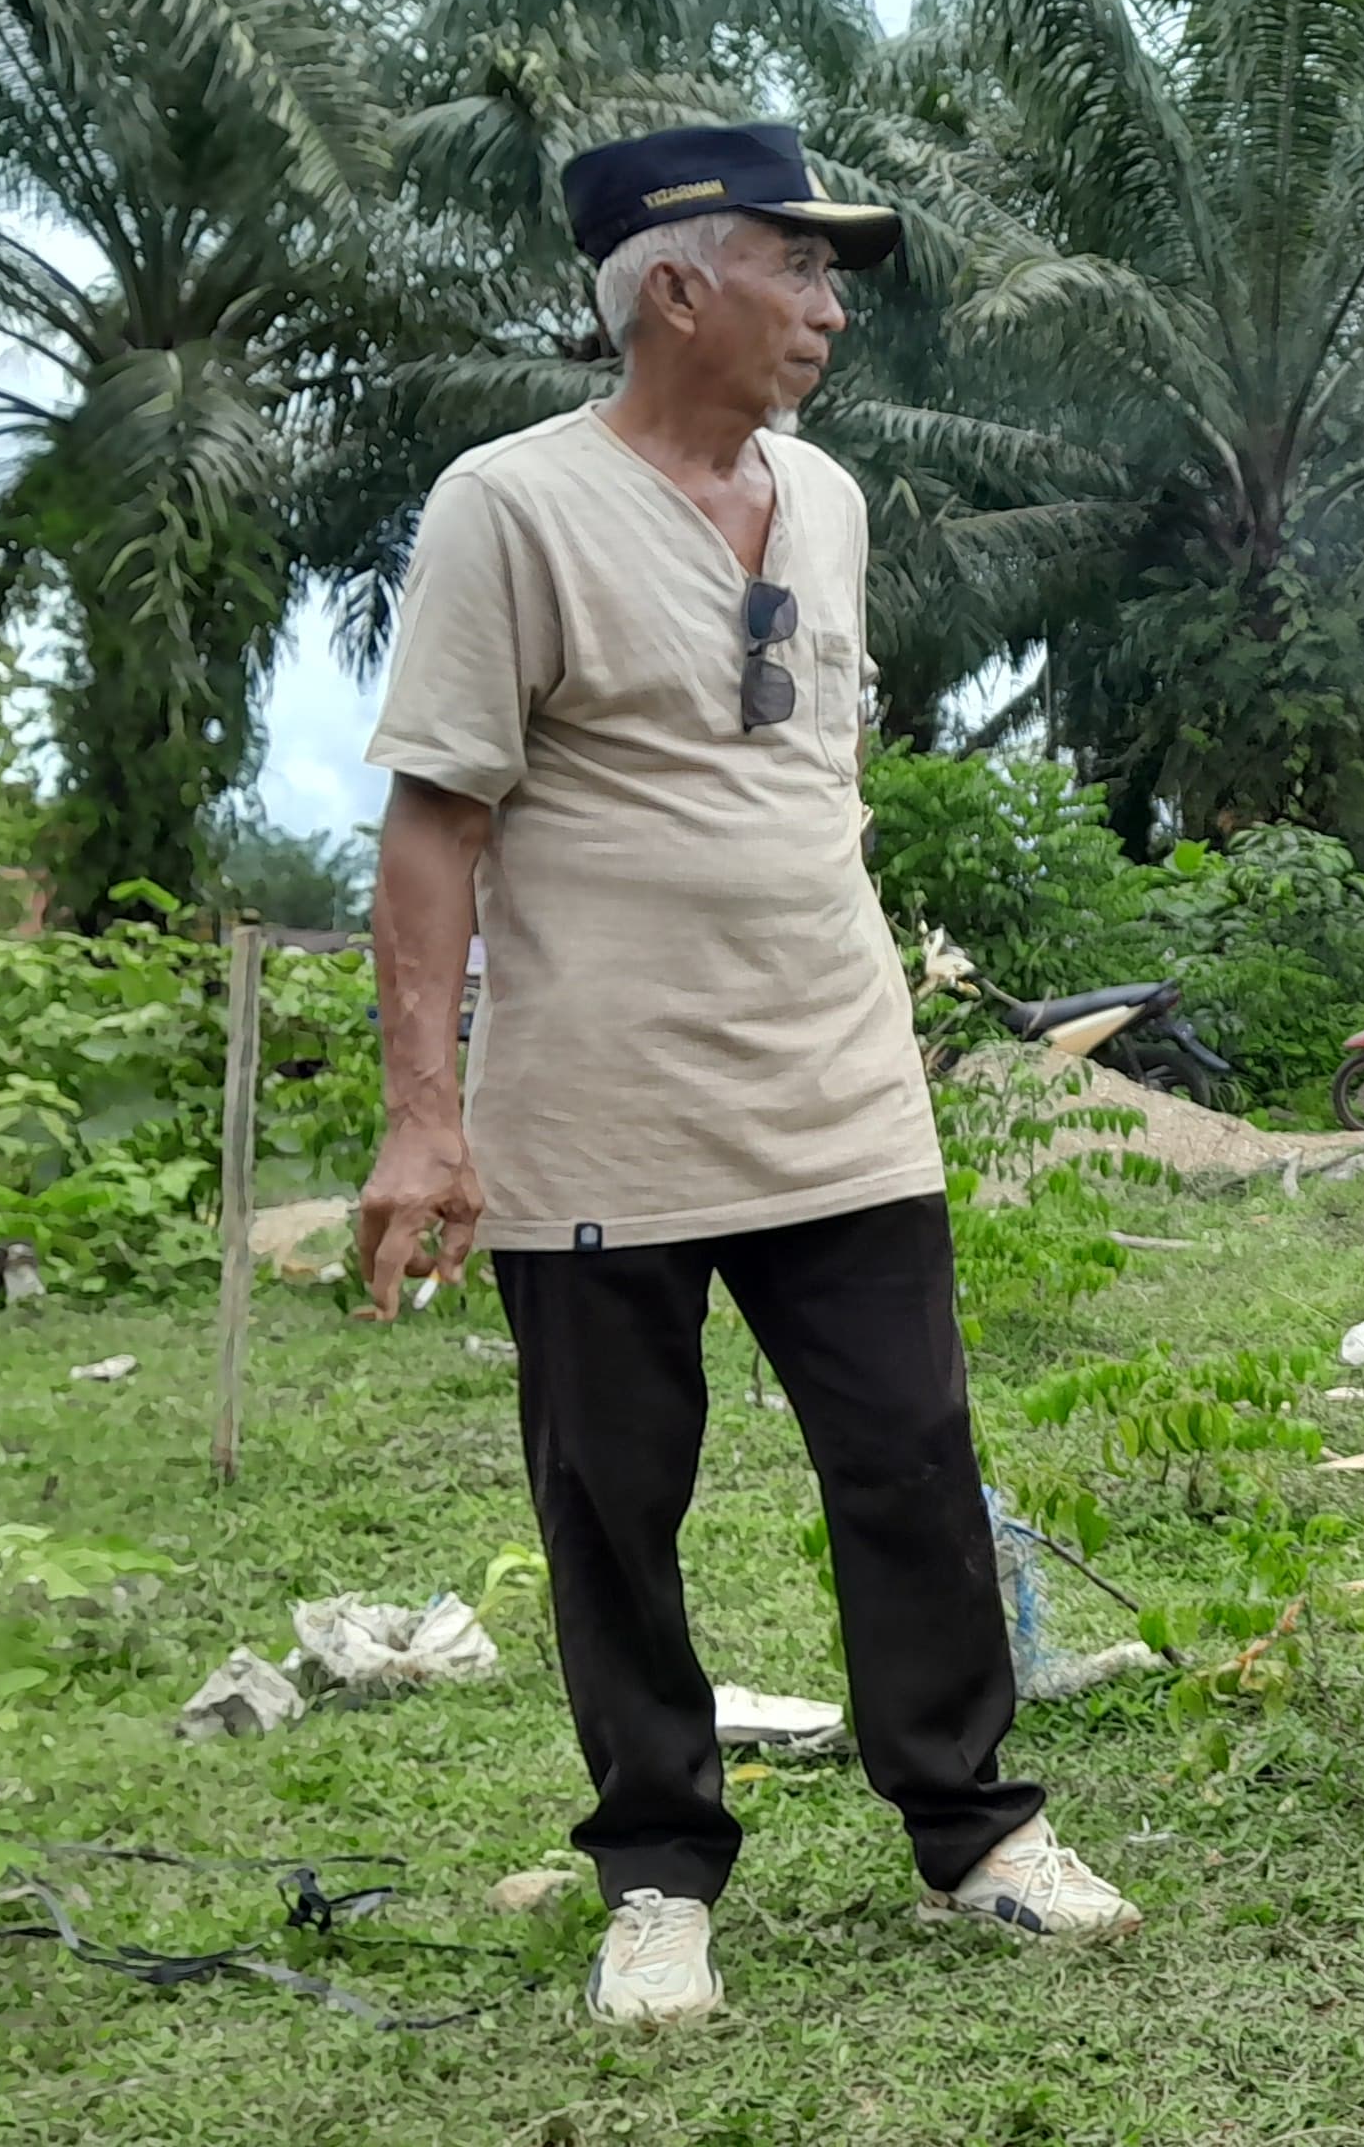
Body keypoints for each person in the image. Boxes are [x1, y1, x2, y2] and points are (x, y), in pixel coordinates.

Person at [352, 123, 1135, 2031]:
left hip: (839, 1083)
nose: (829, 299)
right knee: (614, 1500)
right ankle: (656, 1870)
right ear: (674, 284)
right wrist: (421, 1114)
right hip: (599, 1104)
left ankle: (971, 1829)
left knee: (911, 1460)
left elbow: (807, 778)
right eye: (798, 261)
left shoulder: (834, 499)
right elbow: (435, 824)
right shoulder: (509, 505)